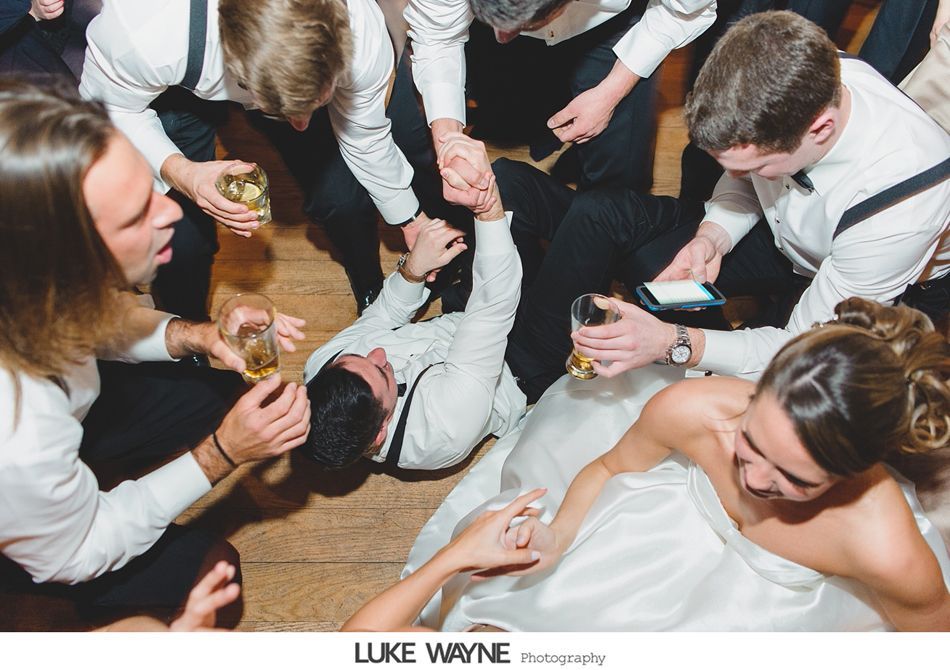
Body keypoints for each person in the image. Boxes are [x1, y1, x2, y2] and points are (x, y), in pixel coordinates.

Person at [402, 298, 950, 631]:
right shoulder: (694, 410)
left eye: (796, 479)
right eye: (750, 441)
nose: (755, 480)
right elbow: (611, 469)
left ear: (854, 473)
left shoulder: (889, 553)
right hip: (654, 535)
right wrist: (559, 537)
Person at [494, 10, 949, 390]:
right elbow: (743, 184)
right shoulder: (801, 69)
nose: (737, 175)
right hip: (780, 236)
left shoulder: (901, 209)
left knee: (797, 391)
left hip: (882, 289)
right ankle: (527, 377)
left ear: (820, 129)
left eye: (753, 166)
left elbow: (800, 348)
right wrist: (714, 236)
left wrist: (673, 342)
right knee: (646, 260)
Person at [0, 78, 310, 619]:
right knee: (215, 573)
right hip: (49, 527)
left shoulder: (29, 277)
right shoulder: (20, 429)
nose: (169, 213)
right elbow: (80, 549)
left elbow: (94, 317)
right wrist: (223, 452)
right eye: (135, 214)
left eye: (149, 190)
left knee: (212, 393)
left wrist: (202, 335)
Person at [79, 0, 465, 318]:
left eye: (317, 104)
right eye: (281, 111)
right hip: (169, 89)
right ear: (235, 68)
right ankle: (187, 336)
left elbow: (365, 136)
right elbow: (108, 106)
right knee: (184, 243)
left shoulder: (362, 35)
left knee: (336, 195)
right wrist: (183, 173)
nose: (301, 126)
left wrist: (409, 219)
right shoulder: (146, 31)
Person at [302, 133, 527, 470]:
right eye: (382, 371)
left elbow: (378, 318)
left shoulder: (323, 369)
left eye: (359, 357)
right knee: (596, 219)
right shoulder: (446, 428)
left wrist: (413, 269)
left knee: (501, 180)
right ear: (380, 432)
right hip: (520, 361)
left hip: (458, 318)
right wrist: (489, 211)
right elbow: (492, 311)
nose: (377, 353)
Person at [405, 0, 717, 194]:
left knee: (618, 163)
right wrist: (447, 137)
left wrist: (611, 93)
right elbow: (437, 38)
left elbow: (684, 12)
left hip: (614, 25)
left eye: (521, 25)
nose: (502, 38)